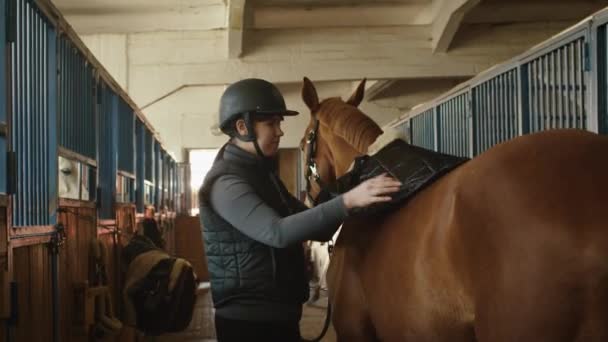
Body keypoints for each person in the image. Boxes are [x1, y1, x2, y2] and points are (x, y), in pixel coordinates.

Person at [198, 78, 401, 342]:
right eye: (271, 123)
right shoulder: (226, 183)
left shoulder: (264, 177)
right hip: (250, 324)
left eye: (278, 123)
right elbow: (277, 232)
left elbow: (320, 228)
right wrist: (348, 201)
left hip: (280, 315)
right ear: (242, 127)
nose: (280, 131)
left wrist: (355, 181)